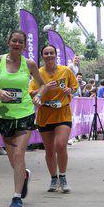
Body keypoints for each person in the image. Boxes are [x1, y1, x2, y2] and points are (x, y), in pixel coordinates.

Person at [0, 30, 46, 207]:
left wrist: (39, 96)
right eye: (14, 41)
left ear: (24, 45)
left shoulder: (29, 64)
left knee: (19, 154)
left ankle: (16, 198)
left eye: (20, 42)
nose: (17, 44)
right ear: (8, 42)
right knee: (13, 159)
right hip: (5, 116)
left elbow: (42, 85)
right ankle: (24, 174)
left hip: (25, 114)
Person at [29, 44, 78, 193]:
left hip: (62, 113)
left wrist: (70, 90)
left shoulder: (66, 70)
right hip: (45, 115)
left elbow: (74, 87)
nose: (49, 55)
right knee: (49, 150)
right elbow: (32, 93)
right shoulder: (39, 73)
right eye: (46, 53)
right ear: (42, 56)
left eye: (51, 53)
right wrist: (44, 89)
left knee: (61, 144)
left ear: (56, 55)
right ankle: (53, 178)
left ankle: (62, 176)